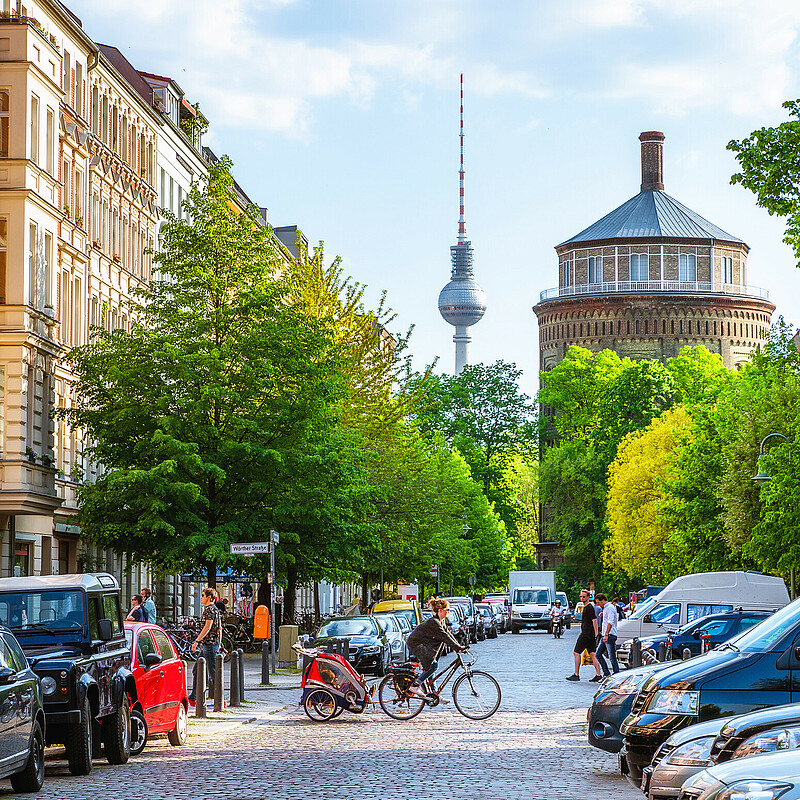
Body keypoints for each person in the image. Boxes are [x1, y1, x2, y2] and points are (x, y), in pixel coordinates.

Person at [405, 599, 468, 698]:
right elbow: (445, 637)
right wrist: (458, 648)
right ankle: (415, 685)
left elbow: (449, 635)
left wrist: (459, 646)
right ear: (440, 610)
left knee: (430, 666)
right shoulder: (434, 623)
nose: (448, 612)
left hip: (423, 645)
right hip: (415, 644)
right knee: (433, 666)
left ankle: (434, 694)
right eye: (447, 609)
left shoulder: (441, 622)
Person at [188, 587, 222, 704]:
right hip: (210, 645)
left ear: (208, 597)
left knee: (213, 673)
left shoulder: (209, 610)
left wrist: (196, 641)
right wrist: (220, 643)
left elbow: (207, 627)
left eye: (202, 595)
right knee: (197, 670)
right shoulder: (216, 610)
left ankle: (219, 700)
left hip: (208, 645)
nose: (201, 597)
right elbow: (219, 629)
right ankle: (194, 697)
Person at [566, 589, 603, 682]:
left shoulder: (589, 607)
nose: (582, 598)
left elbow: (594, 620)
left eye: (584, 596)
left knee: (576, 652)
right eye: (581, 596)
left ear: (588, 597)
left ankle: (576, 674)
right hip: (589, 634)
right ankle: (598, 675)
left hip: (586, 634)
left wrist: (596, 633)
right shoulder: (586, 607)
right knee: (592, 654)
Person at [594, 593, 620, 677]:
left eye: (598, 602)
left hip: (609, 635)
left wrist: (606, 634)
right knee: (598, 654)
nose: (598, 604)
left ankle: (616, 674)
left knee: (612, 656)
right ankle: (606, 673)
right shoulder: (605, 608)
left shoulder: (609, 608)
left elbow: (610, 622)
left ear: (603, 600)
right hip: (605, 635)